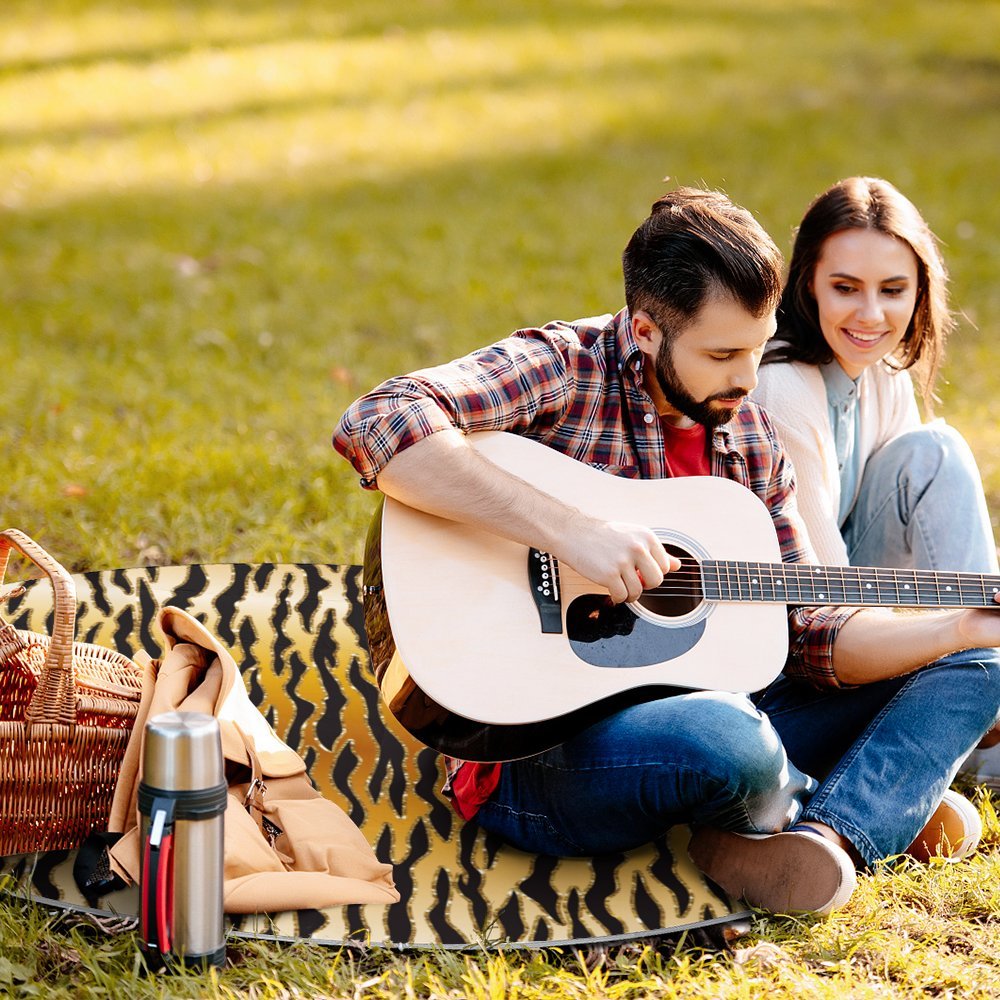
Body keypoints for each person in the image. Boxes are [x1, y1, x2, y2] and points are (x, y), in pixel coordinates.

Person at [333, 187, 1000, 916]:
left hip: (726, 709)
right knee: (728, 741)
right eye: (722, 354)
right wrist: (569, 531)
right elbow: (380, 419)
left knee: (981, 665)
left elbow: (810, 629)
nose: (748, 380)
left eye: (757, 346)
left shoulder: (748, 436)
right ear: (646, 330)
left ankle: (829, 836)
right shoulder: (564, 367)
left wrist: (957, 628)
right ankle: (854, 795)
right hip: (535, 753)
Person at [753, 176, 1000, 789]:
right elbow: (824, 604)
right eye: (845, 288)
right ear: (807, 281)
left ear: (920, 291)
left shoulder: (882, 370)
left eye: (893, 290)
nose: (871, 315)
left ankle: (978, 700)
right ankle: (976, 718)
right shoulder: (783, 386)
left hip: (864, 615)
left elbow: (921, 545)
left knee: (931, 451)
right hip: (797, 649)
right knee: (937, 451)